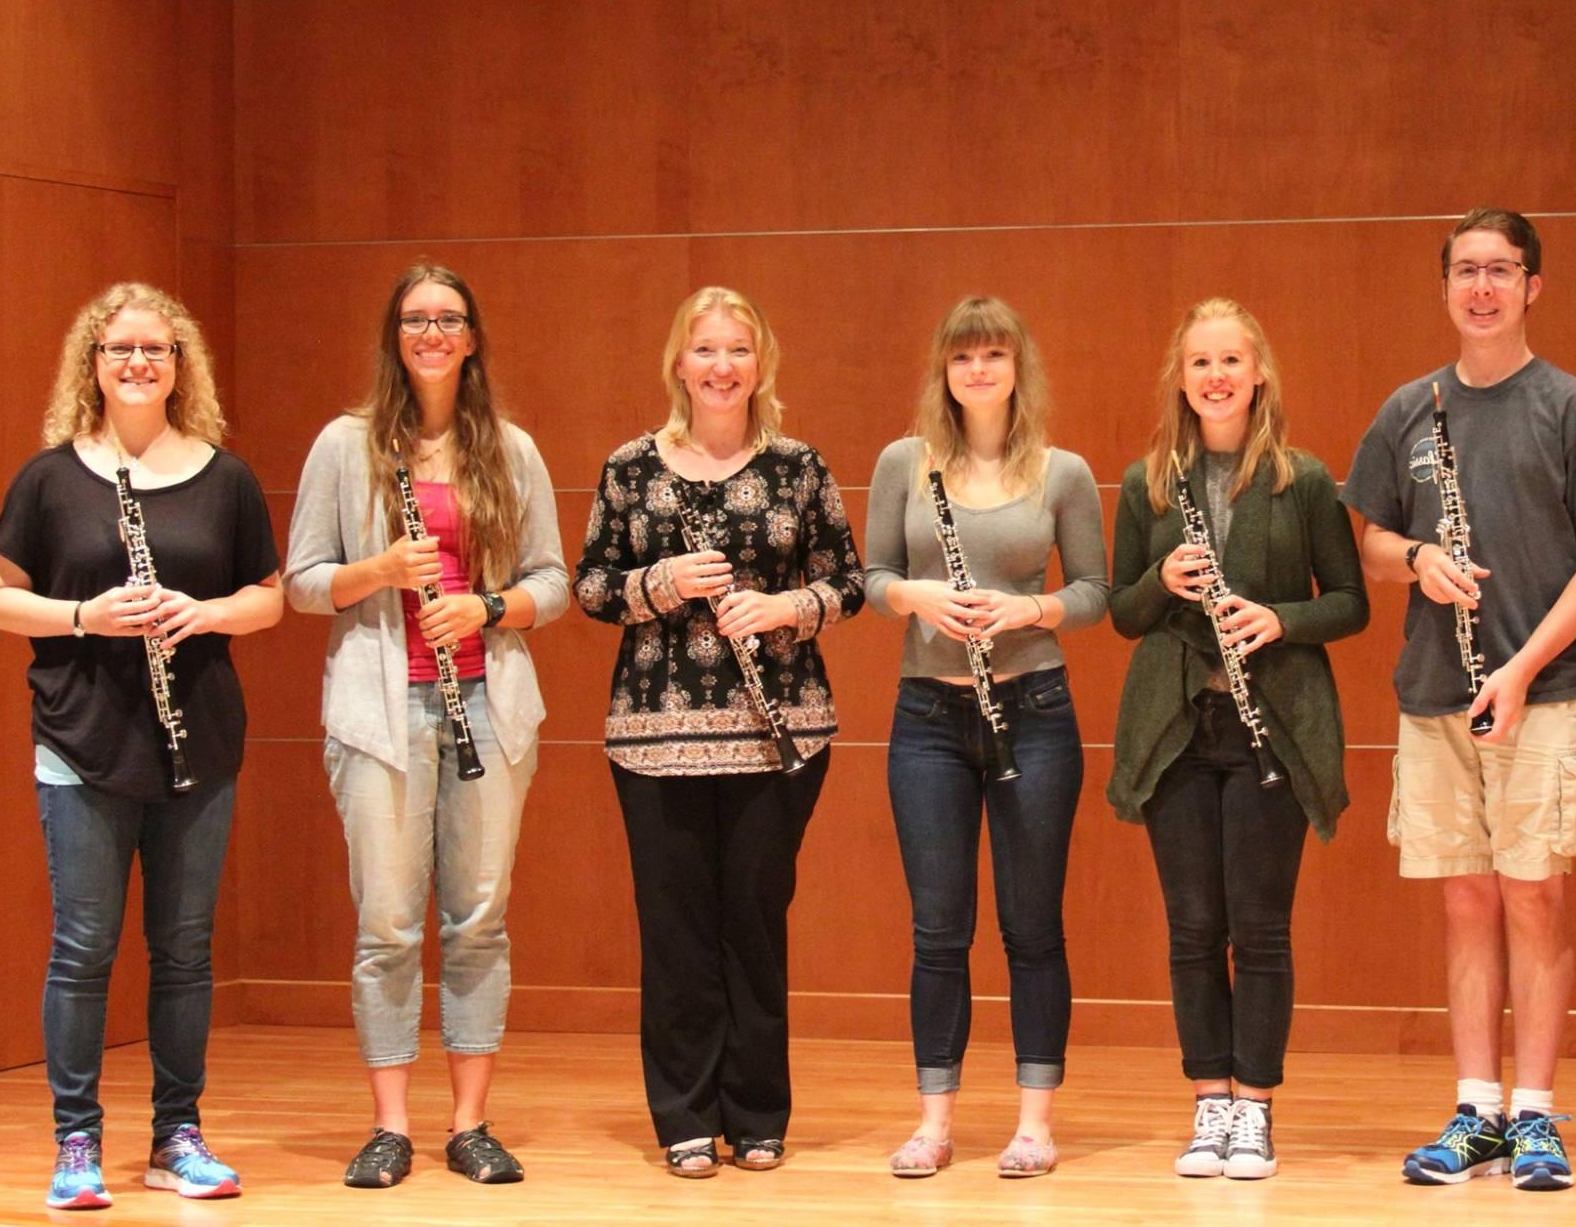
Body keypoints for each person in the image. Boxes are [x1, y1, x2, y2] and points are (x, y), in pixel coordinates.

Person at [1342, 208, 1576, 1191]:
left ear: (1530, 286)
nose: (1480, 287)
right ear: (1444, 287)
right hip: (1432, 690)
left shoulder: (1570, 407)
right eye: (1464, 270)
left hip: (1541, 690)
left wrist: (1516, 670)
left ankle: (1535, 1115)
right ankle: (1474, 1109)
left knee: (1534, 893)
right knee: (1464, 897)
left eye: (1499, 270)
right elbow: (1367, 544)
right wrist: (1417, 558)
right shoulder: (1407, 410)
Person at [0, 282, 282, 1209]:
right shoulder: (49, 477)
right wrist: (87, 615)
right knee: (82, 947)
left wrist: (203, 612)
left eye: (156, 348)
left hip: (198, 742)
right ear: (94, 366)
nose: (139, 362)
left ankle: (176, 1136)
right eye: (120, 351)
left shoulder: (224, 477)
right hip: (80, 743)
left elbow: (268, 597)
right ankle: (76, 1142)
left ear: (180, 363)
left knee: (184, 951)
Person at [286, 263, 567, 1189]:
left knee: (479, 919)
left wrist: (485, 608)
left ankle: (470, 1123)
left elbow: (552, 582)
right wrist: (379, 571)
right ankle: (390, 1126)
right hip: (380, 712)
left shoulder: (511, 450)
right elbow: (301, 582)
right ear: (394, 337)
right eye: (415, 319)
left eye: (449, 318)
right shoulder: (345, 444)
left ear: (473, 336)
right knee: (388, 924)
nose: (433, 332)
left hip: (486, 705)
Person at [576, 285, 863, 1177]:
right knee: (674, 930)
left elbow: (850, 581)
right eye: (705, 349)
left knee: (753, 921)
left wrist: (782, 606)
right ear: (679, 363)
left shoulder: (799, 467)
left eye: (738, 349)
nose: (722, 366)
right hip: (655, 734)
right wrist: (655, 585)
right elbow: (588, 583)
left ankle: (759, 1108)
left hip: (779, 735)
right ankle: (684, 1114)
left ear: (761, 362)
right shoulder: (631, 469)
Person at [1107, 297, 1367, 1181]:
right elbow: (1121, 613)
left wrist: (1277, 618)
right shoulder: (1150, 482)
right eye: (1199, 363)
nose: (1216, 376)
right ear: (1181, 380)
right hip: (1180, 726)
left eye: (1230, 361)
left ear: (1258, 374)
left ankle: (1254, 1108)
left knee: (1258, 929)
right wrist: (1161, 576)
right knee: (1191, 926)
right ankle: (1208, 1101)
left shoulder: (1305, 478)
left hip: (1272, 725)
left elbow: (1350, 602)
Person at [864, 296, 1108, 1179]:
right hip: (926, 715)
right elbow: (871, 576)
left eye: (994, 355)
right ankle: (934, 1121)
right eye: (963, 356)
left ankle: (1035, 1123)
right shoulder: (905, 460)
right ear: (944, 368)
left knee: (1033, 926)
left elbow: (1093, 590)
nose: (978, 370)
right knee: (938, 929)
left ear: (1017, 368)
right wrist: (918, 597)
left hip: (1033, 708)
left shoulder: (1063, 472)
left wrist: (1028, 607)